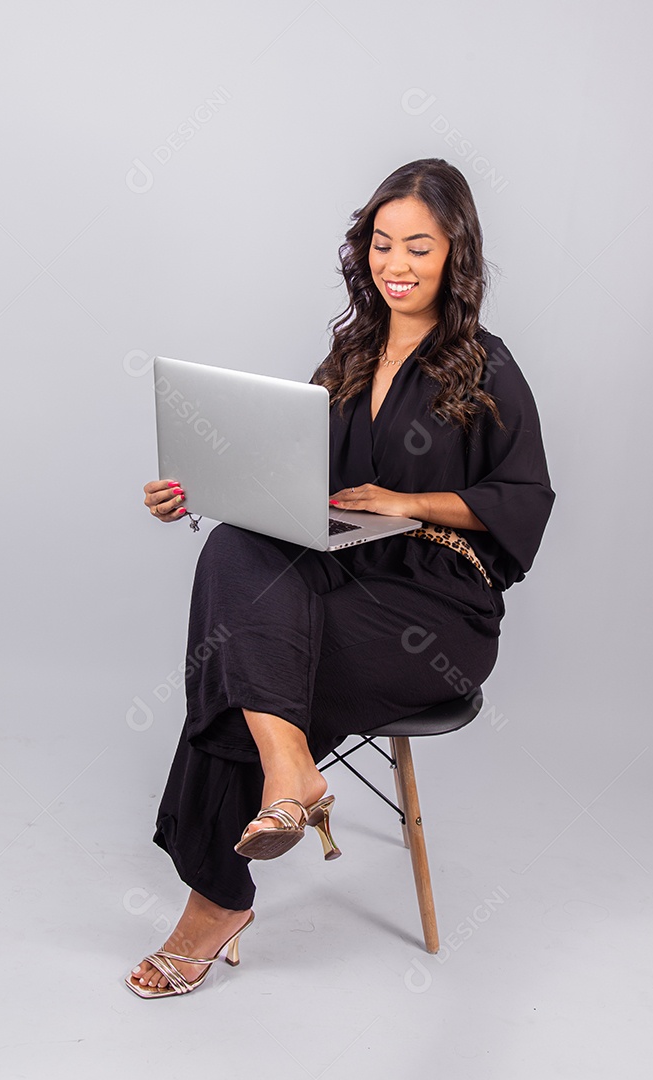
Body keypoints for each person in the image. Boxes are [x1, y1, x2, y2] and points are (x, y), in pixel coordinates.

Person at [126, 158, 555, 998]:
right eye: (382, 245)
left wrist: (411, 499)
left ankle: (215, 905)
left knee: (242, 671)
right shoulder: (349, 355)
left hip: (436, 608)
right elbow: (289, 485)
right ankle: (290, 773)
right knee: (232, 553)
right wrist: (195, 493)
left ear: (455, 254)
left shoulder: (486, 366)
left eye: (419, 248)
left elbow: (524, 498)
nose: (396, 266)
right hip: (341, 577)